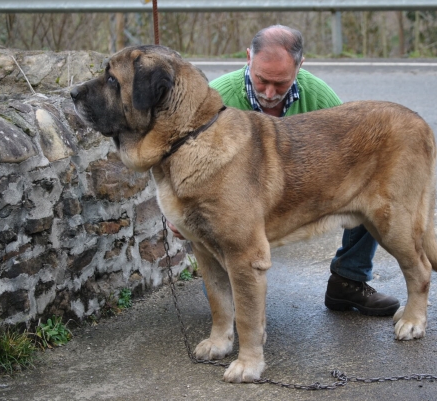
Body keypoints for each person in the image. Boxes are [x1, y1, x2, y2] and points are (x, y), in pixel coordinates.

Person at [168, 25, 399, 317]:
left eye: (281, 84)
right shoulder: (215, 99)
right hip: (233, 211)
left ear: (300, 66)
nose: (269, 93)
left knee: (369, 183)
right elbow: (182, 163)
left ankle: (348, 279)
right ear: (248, 58)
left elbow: (351, 157)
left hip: (299, 199)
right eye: (261, 79)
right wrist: (180, 214)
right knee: (235, 302)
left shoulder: (319, 98)